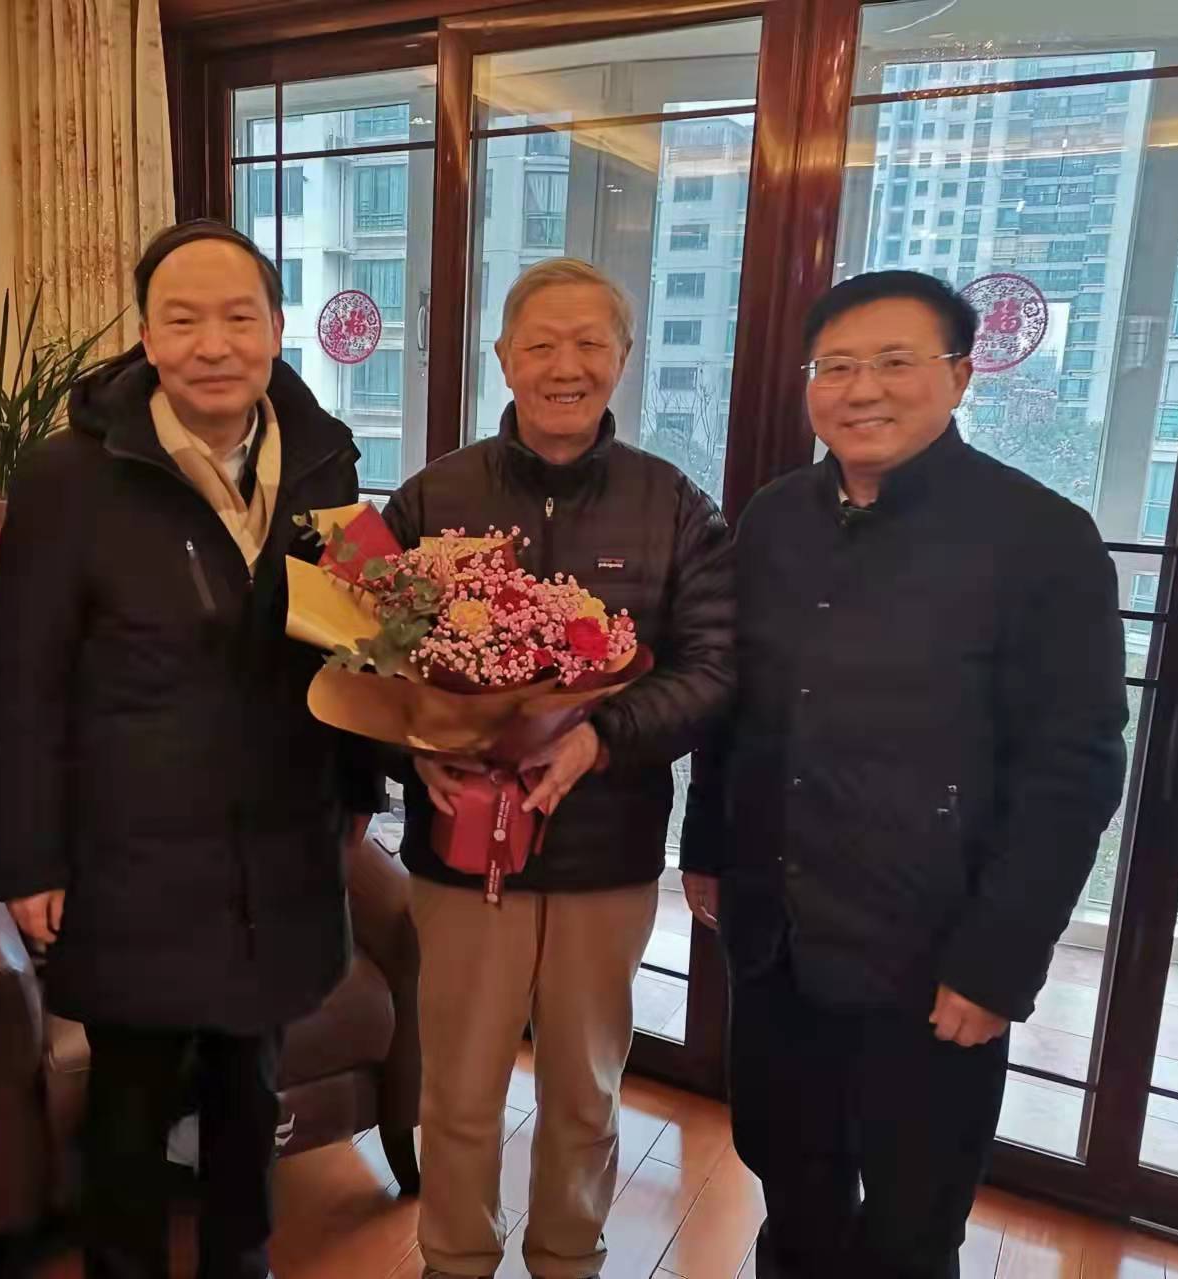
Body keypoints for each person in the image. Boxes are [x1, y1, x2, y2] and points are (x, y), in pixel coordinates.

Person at [680, 270, 1128, 1279]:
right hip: (777, 937)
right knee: (791, 1190)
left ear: (960, 375)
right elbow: (735, 706)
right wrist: (705, 848)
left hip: (932, 954)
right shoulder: (773, 518)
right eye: (836, 366)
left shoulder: (1040, 538)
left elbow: (1073, 768)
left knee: (910, 1225)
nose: (862, 389)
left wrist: (998, 961)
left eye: (894, 362)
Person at [0, 219, 381, 1279]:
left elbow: (356, 640)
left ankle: (240, 1262)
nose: (213, 344)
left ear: (277, 328)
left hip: (277, 843)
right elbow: (20, 680)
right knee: (130, 1099)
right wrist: (27, 859)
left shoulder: (326, 457)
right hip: (130, 853)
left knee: (251, 1087)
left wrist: (356, 791)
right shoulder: (69, 475)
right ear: (147, 337)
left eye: (238, 317)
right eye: (183, 319)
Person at [382, 257, 734, 1279]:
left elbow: (713, 667)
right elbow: (355, 646)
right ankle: (453, 1257)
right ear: (503, 356)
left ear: (623, 358)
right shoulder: (433, 496)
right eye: (540, 343)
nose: (564, 366)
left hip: (603, 852)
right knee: (458, 1086)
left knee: (585, 1087)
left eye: (589, 343)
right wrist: (412, 744)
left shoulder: (674, 505)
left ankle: (569, 1256)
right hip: (460, 849)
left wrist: (599, 735)